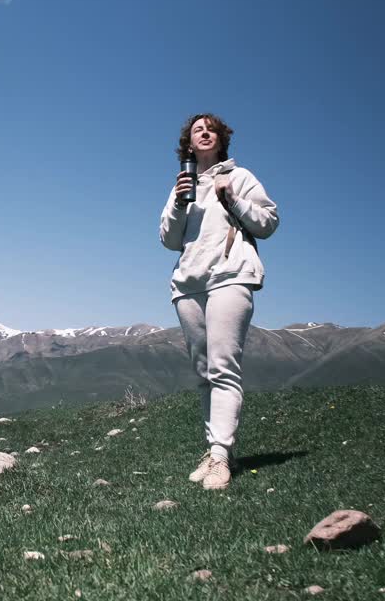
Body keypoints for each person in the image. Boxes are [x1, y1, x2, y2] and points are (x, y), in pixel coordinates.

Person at [159, 113, 279, 490]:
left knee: (224, 367)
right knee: (203, 373)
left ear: (221, 138)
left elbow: (268, 222)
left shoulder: (241, 177)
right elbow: (168, 239)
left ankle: (221, 457)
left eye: (211, 128)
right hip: (189, 284)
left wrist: (233, 199)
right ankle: (214, 451)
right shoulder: (183, 184)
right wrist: (179, 202)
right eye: (198, 130)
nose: (205, 132)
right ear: (189, 144)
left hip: (231, 276)